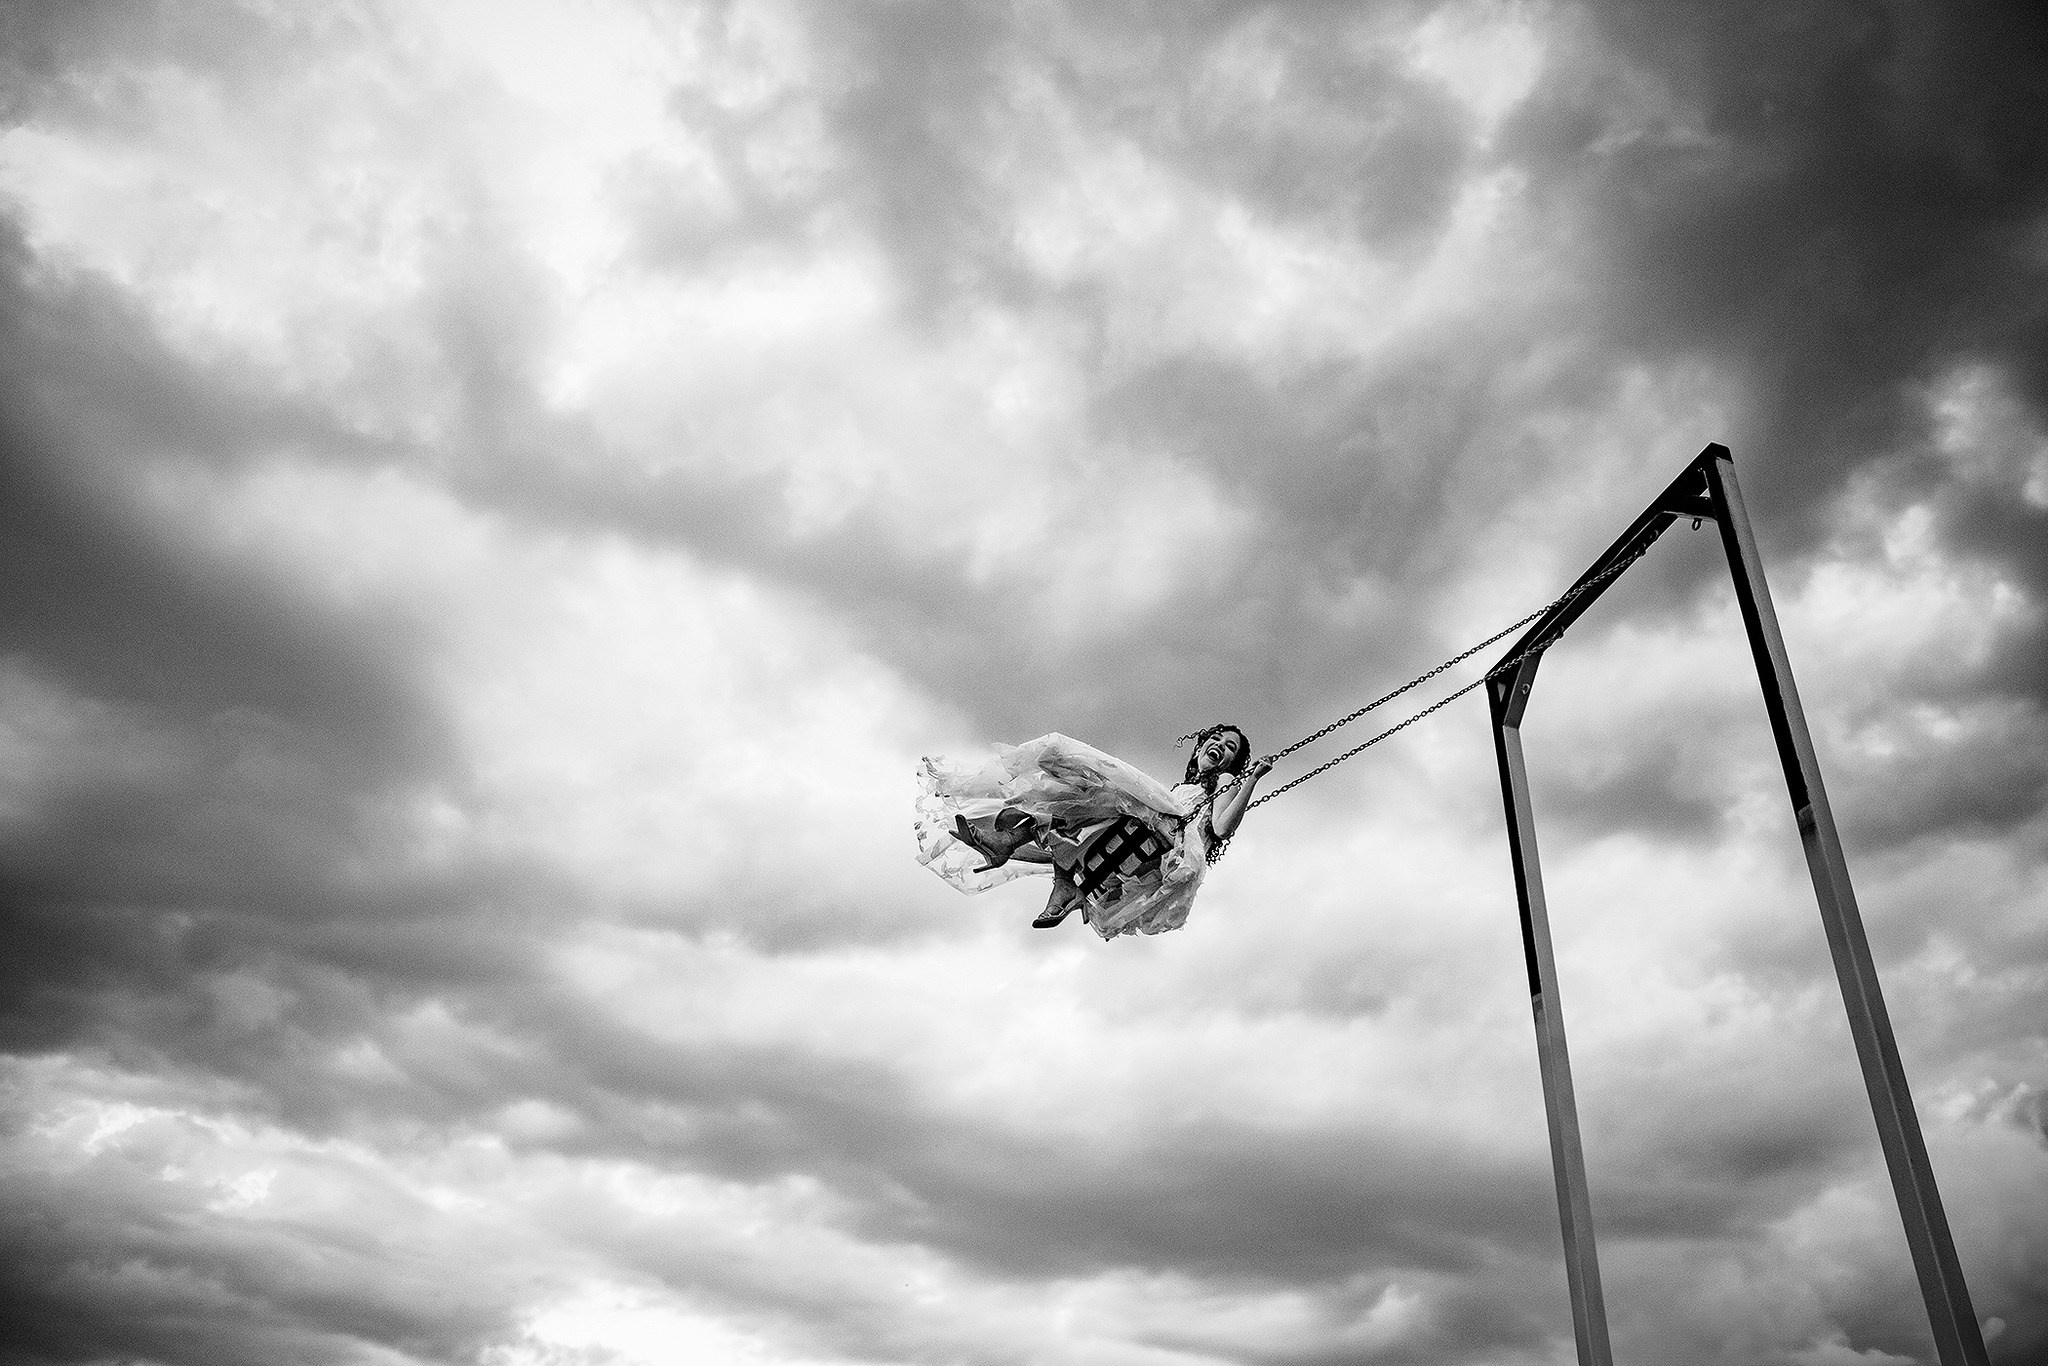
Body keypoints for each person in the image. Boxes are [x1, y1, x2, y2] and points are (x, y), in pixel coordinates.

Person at [913, 724, 1273, 939]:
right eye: (1218, 740)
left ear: (1232, 765)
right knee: (1075, 817)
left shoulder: (1225, 781)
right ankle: (1019, 852)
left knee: (1079, 791)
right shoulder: (1186, 786)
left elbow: (1223, 827)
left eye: (1230, 749)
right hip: (1153, 829)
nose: (1221, 748)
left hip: (1170, 838)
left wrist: (1250, 780)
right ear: (1199, 748)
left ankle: (1017, 849)